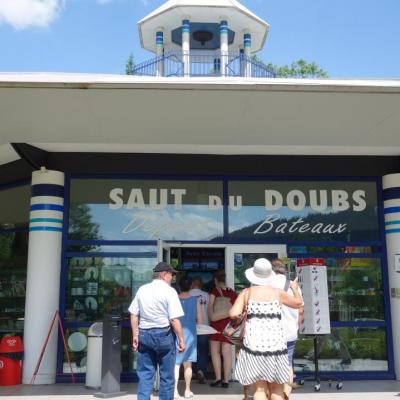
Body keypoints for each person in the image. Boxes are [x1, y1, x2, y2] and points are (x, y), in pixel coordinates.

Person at [230, 258, 302, 400]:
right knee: (277, 389)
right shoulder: (278, 293)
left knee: (260, 389)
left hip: (255, 346)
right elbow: (298, 303)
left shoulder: (247, 292)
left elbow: (233, 313)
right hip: (276, 346)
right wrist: (294, 288)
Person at [129, 262, 186, 400]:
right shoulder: (170, 291)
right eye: (171, 274)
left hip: (145, 335)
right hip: (164, 336)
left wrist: (135, 335)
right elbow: (174, 320)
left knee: (145, 376)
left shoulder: (142, 289)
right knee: (167, 377)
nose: (172, 277)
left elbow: (133, 314)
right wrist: (181, 340)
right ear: (164, 275)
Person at [271, 259, 303, 400]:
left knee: (271, 362)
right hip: (290, 331)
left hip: (271, 332)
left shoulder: (268, 285)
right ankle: (286, 395)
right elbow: (300, 310)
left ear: (272, 270)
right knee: (288, 363)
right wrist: (296, 327)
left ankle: (273, 393)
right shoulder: (293, 285)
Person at [174, 277, 203, 400]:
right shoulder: (195, 301)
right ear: (191, 286)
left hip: (176, 334)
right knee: (188, 365)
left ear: (179, 287)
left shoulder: (174, 300)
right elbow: (200, 321)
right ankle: (187, 391)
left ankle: (175, 392)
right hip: (190, 334)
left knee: (175, 364)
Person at [207, 269, 237, 388]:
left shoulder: (214, 291)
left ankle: (218, 378)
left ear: (215, 280)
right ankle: (226, 380)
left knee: (215, 352)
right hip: (228, 326)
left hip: (216, 325)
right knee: (227, 353)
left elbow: (210, 307)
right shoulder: (232, 292)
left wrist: (211, 317)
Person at [189, 276, 210, 384]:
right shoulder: (206, 295)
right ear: (201, 285)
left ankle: (191, 371)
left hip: (190, 328)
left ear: (192, 284)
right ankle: (201, 370)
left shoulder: (187, 295)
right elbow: (209, 311)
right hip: (204, 327)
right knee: (202, 350)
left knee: (191, 350)